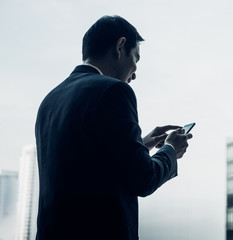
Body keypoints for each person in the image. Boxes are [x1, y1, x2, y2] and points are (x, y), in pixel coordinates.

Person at [35, 15, 192, 240]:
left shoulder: (49, 101)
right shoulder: (115, 91)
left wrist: (142, 145)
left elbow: (87, 162)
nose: (135, 73)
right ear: (120, 47)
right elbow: (143, 179)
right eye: (135, 59)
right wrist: (170, 151)